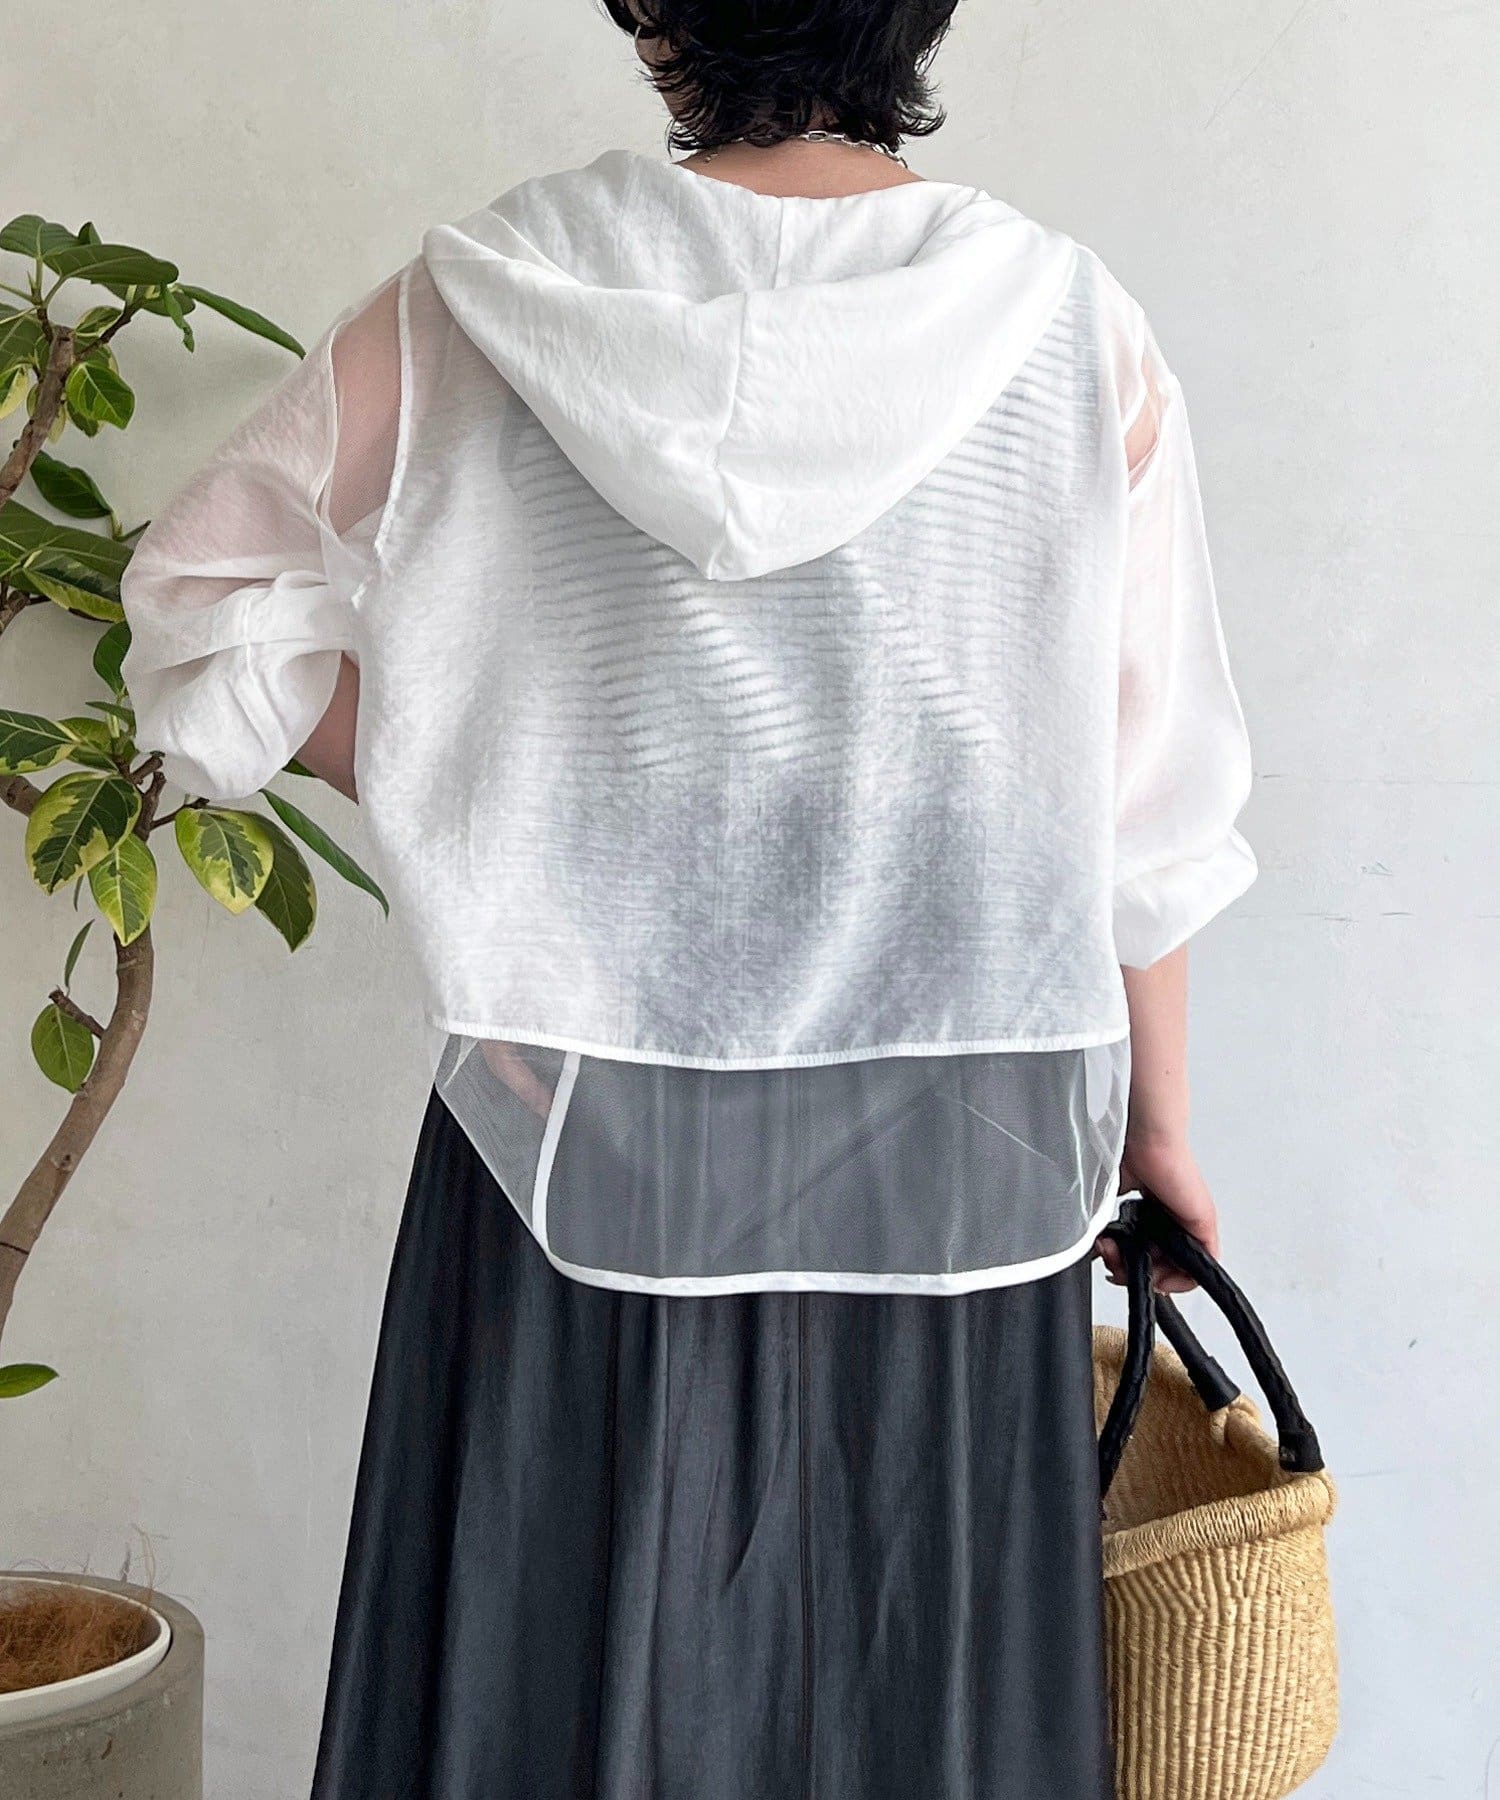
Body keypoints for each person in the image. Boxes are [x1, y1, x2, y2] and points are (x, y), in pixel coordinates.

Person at [119, 2, 1256, 1794]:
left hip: (572, 1117)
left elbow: (197, 604)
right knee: (914, 1703)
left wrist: (473, 819)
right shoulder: (1066, 324)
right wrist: (1162, 1130)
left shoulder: (482, 298)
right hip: (957, 1139)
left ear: (656, 18)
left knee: (552, 1673)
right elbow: (1145, 808)